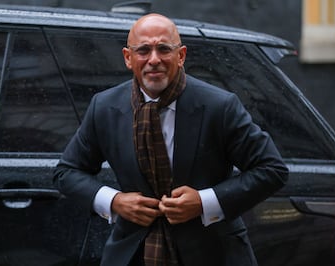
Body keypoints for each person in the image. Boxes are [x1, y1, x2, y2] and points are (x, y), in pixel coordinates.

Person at [53, 13, 288, 266]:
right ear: (128, 58)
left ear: (181, 55)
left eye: (164, 49)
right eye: (143, 50)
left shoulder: (219, 106)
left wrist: (202, 202)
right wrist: (116, 202)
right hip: (132, 254)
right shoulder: (105, 107)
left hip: (213, 253)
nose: (154, 59)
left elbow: (272, 169)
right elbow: (66, 172)